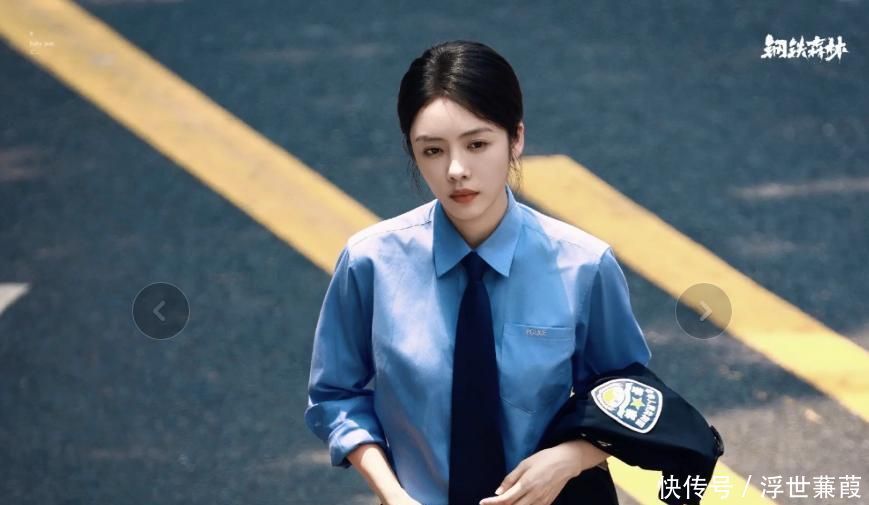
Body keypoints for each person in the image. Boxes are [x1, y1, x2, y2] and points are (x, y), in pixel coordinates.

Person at [304, 40, 652, 505]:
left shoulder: (582, 267)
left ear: (516, 139)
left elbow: (631, 397)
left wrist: (570, 458)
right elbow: (336, 393)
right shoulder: (370, 263)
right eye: (432, 150)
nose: (456, 170)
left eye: (477, 144)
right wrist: (391, 493)